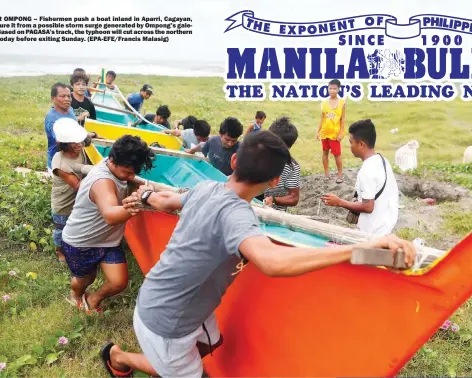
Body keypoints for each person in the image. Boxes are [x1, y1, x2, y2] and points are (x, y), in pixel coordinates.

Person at [99, 131, 417, 377]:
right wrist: (361, 248)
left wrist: (149, 194)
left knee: (210, 343)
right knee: (186, 369)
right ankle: (119, 357)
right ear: (275, 182)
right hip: (167, 322)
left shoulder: (208, 188)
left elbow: (168, 202)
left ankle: (147, 359)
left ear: (234, 161)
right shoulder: (237, 215)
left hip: (163, 300)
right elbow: (271, 261)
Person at [61, 135, 154, 313]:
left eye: (134, 173)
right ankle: (76, 295)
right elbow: (111, 215)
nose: (131, 176)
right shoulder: (102, 182)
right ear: (112, 160)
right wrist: (140, 202)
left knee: (118, 282)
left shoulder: (112, 163)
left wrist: (136, 187)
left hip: (108, 241)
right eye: (127, 172)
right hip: (81, 242)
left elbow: (128, 183)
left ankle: (93, 299)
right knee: (85, 279)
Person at [321, 119, 399, 236]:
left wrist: (339, 202)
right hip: (386, 226)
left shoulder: (367, 171)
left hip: (373, 233)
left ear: (361, 144)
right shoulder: (382, 160)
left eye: (351, 142)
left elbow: (368, 207)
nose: (350, 147)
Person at [50, 118, 95, 265]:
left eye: (79, 141)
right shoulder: (60, 163)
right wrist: (98, 172)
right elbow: (79, 186)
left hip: (77, 200)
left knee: (75, 227)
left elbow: (87, 139)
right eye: (74, 142)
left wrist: (93, 135)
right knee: (61, 229)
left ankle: (75, 248)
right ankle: (60, 251)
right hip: (63, 203)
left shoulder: (79, 145)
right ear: (64, 144)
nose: (79, 144)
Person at [261, 117, 301, 212]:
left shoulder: (292, 167)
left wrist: (273, 199)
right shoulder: (255, 155)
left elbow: (294, 198)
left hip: (274, 216)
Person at [317, 79, 346, 183]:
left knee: (337, 154)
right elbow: (322, 118)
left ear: (338, 89)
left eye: (334, 88)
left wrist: (341, 133)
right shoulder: (324, 103)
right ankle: (326, 174)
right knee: (325, 153)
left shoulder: (342, 103)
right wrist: (318, 131)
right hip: (325, 133)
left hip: (335, 134)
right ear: (328, 88)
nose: (332, 90)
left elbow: (342, 119)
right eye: (330, 88)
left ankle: (340, 175)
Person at [45, 83, 77, 170]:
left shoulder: (70, 110)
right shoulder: (52, 118)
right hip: (57, 164)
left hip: (72, 159)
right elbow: (60, 140)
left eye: (69, 96)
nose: (67, 99)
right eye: (62, 96)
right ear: (53, 98)